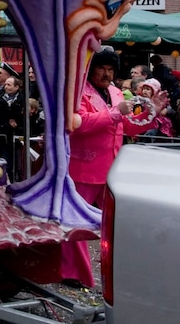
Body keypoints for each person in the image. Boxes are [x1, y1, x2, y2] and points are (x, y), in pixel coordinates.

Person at [62, 47, 127, 288]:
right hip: (84, 167)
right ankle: (73, 273)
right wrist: (114, 115)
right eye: (102, 68)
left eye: (111, 69)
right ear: (91, 69)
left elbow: (126, 126)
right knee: (76, 223)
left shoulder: (116, 92)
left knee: (116, 224)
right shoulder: (80, 93)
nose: (106, 73)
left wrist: (152, 115)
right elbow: (78, 123)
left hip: (111, 169)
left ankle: (117, 270)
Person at [0, 76, 23, 179]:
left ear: (16, 87)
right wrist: (6, 124)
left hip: (18, 135)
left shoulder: (22, 99)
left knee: (18, 161)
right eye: (5, 84)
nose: (6, 87)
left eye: (9, 85)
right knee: (5, 160)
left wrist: (17, 123)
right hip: (4, 135)